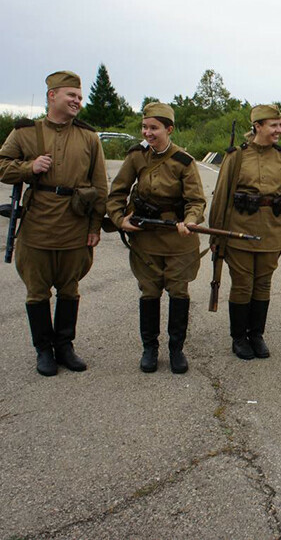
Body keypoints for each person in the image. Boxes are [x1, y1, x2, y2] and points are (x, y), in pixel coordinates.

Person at [0, 70, 108, 376]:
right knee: (37, 291)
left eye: (80, 97)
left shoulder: (89, 137)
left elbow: (100, 185)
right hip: (37, 227)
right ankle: (43, 349)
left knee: (70, 289)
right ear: (52, 96)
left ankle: (65, 346)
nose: (77, 102)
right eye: (71, 95)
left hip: (75, 225)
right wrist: (29, 167)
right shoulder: (25, 133)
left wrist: (95, 226)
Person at [106, 102, 206, 374]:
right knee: (149, 291)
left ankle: (176, 350)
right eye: (144, 127)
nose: (148, 133)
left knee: (178, 291)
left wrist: (191, 220)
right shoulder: (136, 157)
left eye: (154, 128)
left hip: (177, 239)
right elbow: (117, 193)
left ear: (169, 129)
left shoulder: (184, 161)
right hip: (145, 238)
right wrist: (120, 219)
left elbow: (196, 200)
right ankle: (149, 349)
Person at [209, 104, 281, 361]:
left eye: (280, 125)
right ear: (257, 126)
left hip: (271, 231)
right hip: (240, 230)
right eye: (273, 126)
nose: (278, 130)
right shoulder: (237, 156)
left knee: (263, 284)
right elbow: (221, 198)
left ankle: (256, 335)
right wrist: (217, 236)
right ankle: (239, 337)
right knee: (242, 284)